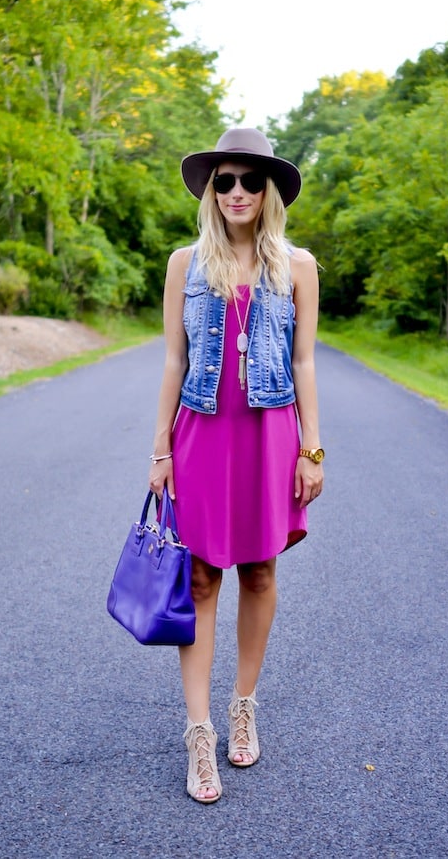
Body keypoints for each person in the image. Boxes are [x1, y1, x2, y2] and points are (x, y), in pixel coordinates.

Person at [148, 127, 324, 804]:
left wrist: (312, 449)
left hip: (270, 437)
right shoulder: (184, 263)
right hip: (202, 435)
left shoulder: (296, 267)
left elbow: (306, 362)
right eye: (226, 180)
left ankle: (242, 704)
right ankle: (198, 734)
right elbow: (173, 360)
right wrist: (159, 449)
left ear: (270, 190)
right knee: (197, 579)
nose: (239, 192)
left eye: (251, 181)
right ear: (210, 189)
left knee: (258, 571)